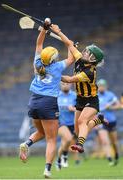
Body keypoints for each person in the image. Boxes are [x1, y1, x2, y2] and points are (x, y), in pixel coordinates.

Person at [19, 23, 76, 178]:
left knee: (41, 132)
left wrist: (44, 29)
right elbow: (72, 57)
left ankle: (26, 144)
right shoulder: (57, 67)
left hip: (34, 102)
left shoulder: (37, 62)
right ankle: (47, 169)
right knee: (52, 139)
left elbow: (39, 43)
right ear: (53, 59)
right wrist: (68, 42)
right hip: (48, 103)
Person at [50, 25, 108, 154]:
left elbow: (70, 80)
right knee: (78, 130)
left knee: (82, 121)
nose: (85, 52)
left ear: (93, 59)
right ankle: (99, 120)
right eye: (86, 51)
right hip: (80, 99)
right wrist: (58, 31)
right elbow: (70, 44)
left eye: (88, 53)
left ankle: (80, 145)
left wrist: (52, 73)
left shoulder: (90, 72)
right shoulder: (80, 59)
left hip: (91, 100)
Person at [96, 79, 121, 166]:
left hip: (111, 121)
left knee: (114, 142)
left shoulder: (111, 95)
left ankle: (116, 154)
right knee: (105, 141)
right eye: (100, 86)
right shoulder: (95, 96)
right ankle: (109, 158)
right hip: (101, 122)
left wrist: (110, 107)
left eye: (103, 86)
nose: (101, 87)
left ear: (106, 86)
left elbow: (119, 106)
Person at [56, 82, 80, 170]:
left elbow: (80, 108)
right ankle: (65, 157)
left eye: (67, 83)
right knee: (69, 139)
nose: (65, 85)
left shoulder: (75, 95)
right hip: (60, 123)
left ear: (70, 85)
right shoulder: (56, 95)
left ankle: (58, 159)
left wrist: (73, 109)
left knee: (64, 143)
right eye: (63, 84)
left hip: (72, 123)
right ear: (60, 85)